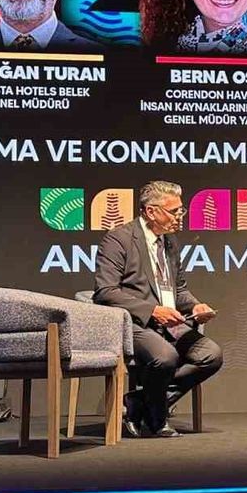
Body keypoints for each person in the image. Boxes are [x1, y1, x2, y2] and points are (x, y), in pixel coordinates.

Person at [93, 181, 223, 438]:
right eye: (174, 211)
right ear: (151, 211)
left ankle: (142, 402)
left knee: (211, 355)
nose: (180, 216)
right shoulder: (118, 239)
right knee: (165, 357)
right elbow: (105, 292)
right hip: (134, 322)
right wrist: (152, 310)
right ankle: (157, 415)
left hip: (171, 322)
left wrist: (195, 305)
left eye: (181, 210)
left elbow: (178, 289)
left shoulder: (170, 242)